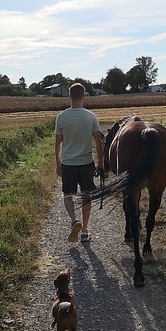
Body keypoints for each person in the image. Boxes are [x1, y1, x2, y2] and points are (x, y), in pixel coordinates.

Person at [54, 83, 104, 243]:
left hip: (68, 163)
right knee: (86, 195)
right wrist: (100, 162)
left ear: (69, 97)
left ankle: (74, 220)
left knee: (68, 195)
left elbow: (58, 144)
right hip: (86, 162)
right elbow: (98, 142)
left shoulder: (61, 117)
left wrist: (58, 163)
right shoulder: (91, 116)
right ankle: (84, 231)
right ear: (84, 97)